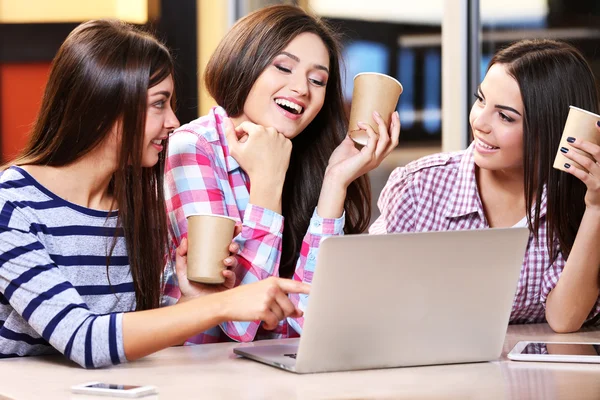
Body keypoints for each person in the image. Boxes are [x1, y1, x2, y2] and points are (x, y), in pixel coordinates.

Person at [0, 19, 309, 369]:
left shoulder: (136, 204)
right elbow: (84, 339)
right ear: (105, 106)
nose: (174, 121)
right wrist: (227, 304)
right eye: (159, 104)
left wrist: (190, 303)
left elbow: (134, 335)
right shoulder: (12, 204)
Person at [164, 4, 400, 343]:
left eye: (317, 80)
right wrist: (268, 184)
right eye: (283, 67)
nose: (302, 89)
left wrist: (335, 182)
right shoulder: (193, 147)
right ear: (244, 63)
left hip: (271, 375)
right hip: (196, 373)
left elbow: (309, 320)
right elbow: (240, 324)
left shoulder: (306, 156)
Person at [366, 39, 600, 333]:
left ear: (550, 129)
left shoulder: (572, 200)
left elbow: (564, 318)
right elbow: (370, 300)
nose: (480, 123)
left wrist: (596, 209)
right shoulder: (418, 187)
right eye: (480, 100)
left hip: (525, 375)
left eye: (505, 116)